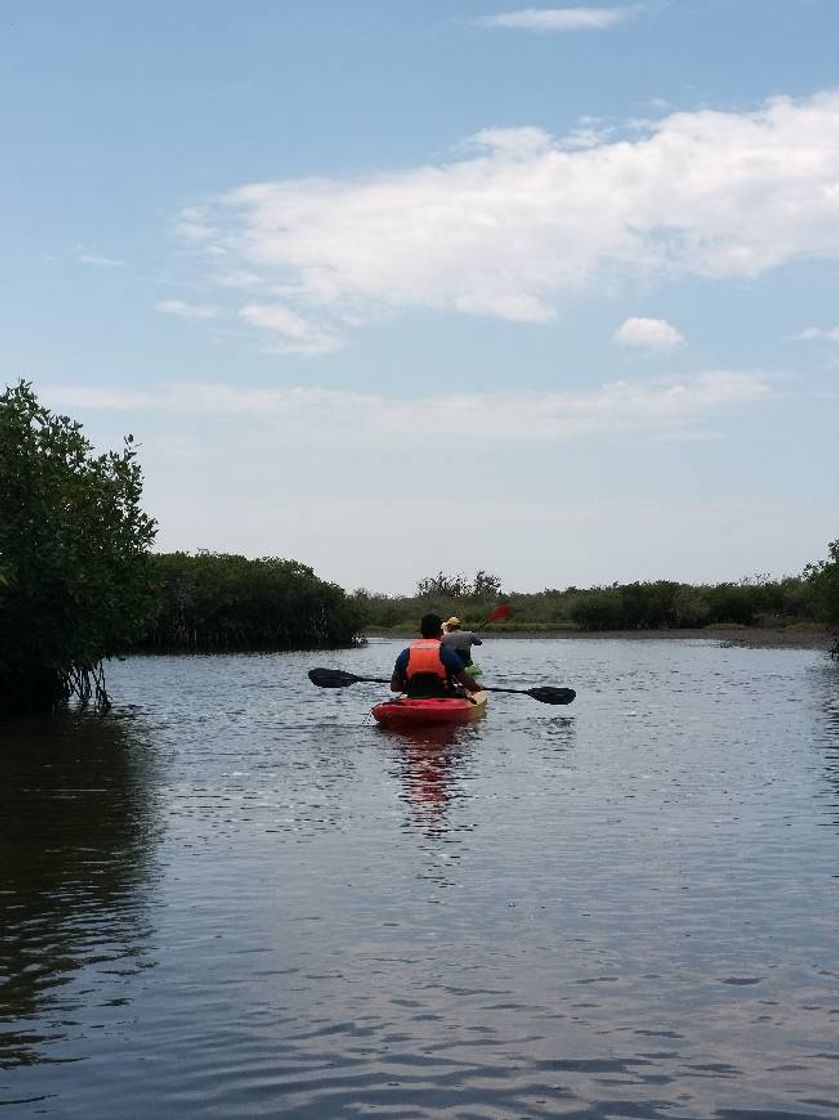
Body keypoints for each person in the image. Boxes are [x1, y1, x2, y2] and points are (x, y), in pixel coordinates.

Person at [391, 613, 482, 698]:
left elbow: (394, 687)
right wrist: (478, 687)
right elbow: (470, 685)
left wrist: (411, 687)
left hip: (414, 697)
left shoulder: (405, 654)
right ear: (441, 631)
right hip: (443, 698)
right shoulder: (447, 654)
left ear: (421, 631)